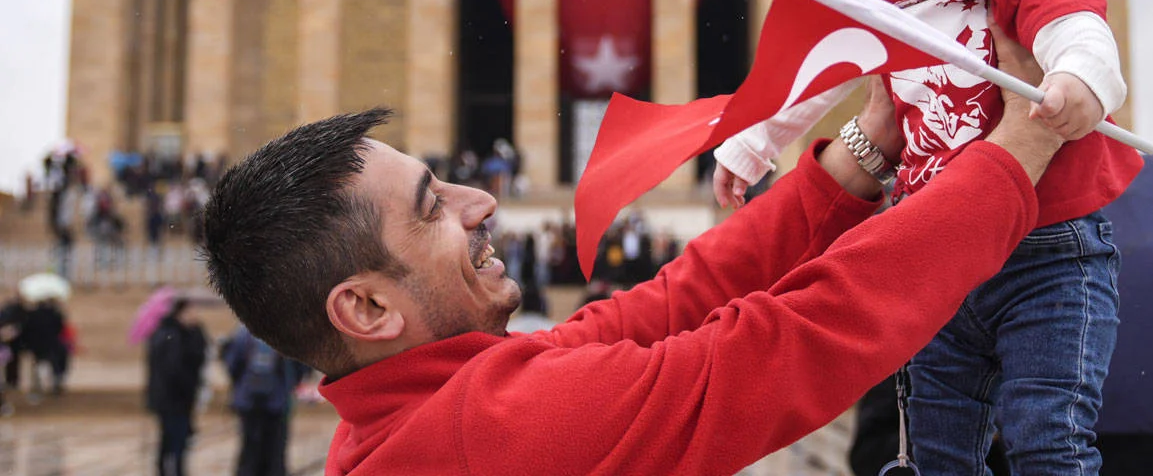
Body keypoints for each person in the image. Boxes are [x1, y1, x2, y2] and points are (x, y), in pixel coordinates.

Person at [198, 25, 1064, 475]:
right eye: (432, 209)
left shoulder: (423, 410)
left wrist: (862, 150)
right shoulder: (496, 434)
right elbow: (787, 343)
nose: (481, 202)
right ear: (366, 307)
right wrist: (1016, 157)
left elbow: (668, 305)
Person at [712, 0, 1144, 475]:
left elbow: (1077, 26)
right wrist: (754, 141)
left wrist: (1078, 80)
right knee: (935, 445)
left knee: (1047, 435)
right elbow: (821, 68)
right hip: (934, 243)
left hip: (1047, 250)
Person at [222, 324, 307, 476]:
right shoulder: (286, 334)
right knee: (275, 450)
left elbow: (233, 365)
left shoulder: (243, 333)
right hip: (277, 401)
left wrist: (240, 387)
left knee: (250, 449)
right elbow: (299, 366)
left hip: (249, 401)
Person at [146, 297, 208, 476]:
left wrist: (197, 331)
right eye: (191, 311)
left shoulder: (186, 333)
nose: (195, 315)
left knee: (175, 439)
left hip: (180, 399)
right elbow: (173, 369)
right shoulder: (170, 335)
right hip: (172, 399)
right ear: (181, 313)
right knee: (173, 440)